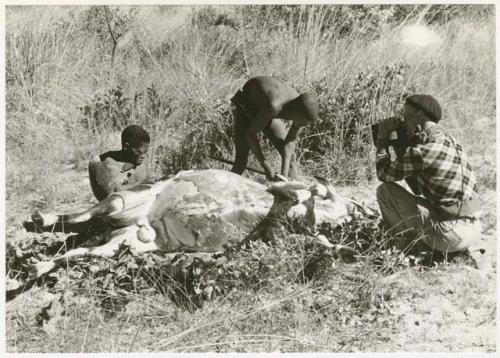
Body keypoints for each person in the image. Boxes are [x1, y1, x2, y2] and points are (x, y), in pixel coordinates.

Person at [375, 94, 482, 254]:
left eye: (406, 115)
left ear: (420, 115)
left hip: (451, 235)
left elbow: (384, 174)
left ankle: (401, 247)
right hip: (474, 230)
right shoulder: (452, 142)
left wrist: (384, 139)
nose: (404, 121)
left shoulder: (425, 150)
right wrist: (400, 145)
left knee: (385, 191)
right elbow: (417, 188)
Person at [230, 76, 318, 181]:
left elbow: (289, 144)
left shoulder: (300, 107)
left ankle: (292, 189)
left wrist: (283, 176)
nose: (302, 125)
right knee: (240, 163)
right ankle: (223, 191)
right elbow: (251, 134)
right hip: (245, 108)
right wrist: (266, 167)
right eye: (302, 121)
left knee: (292, 159)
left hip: (264, 109)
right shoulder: (275, 106)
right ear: (294, 113)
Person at [89, 125, 157, 201]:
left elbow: (151, 180)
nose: (143, 156)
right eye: (138, 152)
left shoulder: (139, 159)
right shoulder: (110, 162)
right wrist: (141, 183)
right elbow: (113, 193)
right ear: (126, 146)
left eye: (145, 152)